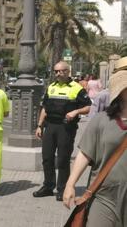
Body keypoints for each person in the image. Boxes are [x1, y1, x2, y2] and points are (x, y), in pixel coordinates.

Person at [63, 70, 127, 226]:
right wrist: (70, 184)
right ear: (120, 93)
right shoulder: (101, 120)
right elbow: (85, 154)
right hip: (104, 196)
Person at [33, 61, 91, 201]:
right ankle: (48, 186)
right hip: (50, 126)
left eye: (61, 71)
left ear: (68, 71)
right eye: (56, 71)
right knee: (47, 158)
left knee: (63, 159)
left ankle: (62, 189)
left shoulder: (76, 88)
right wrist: (40, 125)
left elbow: (88, 107)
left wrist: (76, 111)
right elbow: (45, 108)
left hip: (66, 127)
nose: (58, 73)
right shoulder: (51, 87)